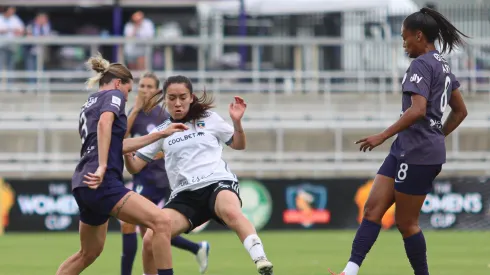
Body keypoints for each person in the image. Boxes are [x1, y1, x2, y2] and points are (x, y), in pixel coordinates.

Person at [328, 7, 468, 275]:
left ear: (418, 36)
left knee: (406, 223)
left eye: (405, 38)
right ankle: (349, 271)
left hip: (418, 154)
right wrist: (437, 135)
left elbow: (417, 110)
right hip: (405, 148)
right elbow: (460, 110)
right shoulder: (442, 64)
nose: (403, 43)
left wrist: (382, 135)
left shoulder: (422, 64)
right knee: (371, 210)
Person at [123, 75, 274, 275]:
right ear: (165, 100)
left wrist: (237, 123)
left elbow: (239, 145)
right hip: (185, 195)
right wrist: (125, 151)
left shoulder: (209, 119)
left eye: (182, 97)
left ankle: (260, 258)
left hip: (217, 183)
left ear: (191, 97)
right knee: (151, 238)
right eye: (172, 98)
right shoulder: (162, 132)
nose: (177, 103)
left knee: (230, 212)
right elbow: (134, 167)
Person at [56, 54, 188, 275]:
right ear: (119, 84)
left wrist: (160, 134)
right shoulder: (114, 95)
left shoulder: (89, 103)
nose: (127, 97)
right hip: (102, 181)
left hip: (83, 183)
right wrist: (103, 166)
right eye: (128, 91)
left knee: (88, 253)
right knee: (161, 222)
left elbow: (119, 143)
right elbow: (105, 124)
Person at [120, 72, 210, 275]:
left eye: (150, 86)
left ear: (158, 92)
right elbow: (121, 138)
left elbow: (175, 145)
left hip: (156, 178)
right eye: (142, 86)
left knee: (128, 223)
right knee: (150, 232)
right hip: (139, 176)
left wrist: (149, 154)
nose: (144, 90)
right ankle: (196, 248)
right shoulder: (134, 114)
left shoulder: (163, 116)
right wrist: (134, 110)